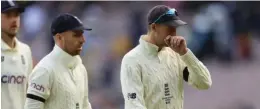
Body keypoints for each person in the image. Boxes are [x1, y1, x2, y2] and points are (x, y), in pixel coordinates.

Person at [120, 5, 212, 109]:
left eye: (175, 28)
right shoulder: (131, 60)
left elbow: (204, 83)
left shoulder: (176, 55)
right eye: (169, 28)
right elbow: (134, 104)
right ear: (154, 27)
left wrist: (186, 54)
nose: (174, 33)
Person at [24, 13, 92, 109]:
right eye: (76, 35)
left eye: (82, 34)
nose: (83, 40)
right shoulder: (44, 70)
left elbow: (85, 105)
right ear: (59, 38)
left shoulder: (80, 68)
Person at [1, 1, 33, 109]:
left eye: (16, 15)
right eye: (8, 15)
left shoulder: (25, 50)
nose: (14, 20)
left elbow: (29, 91)